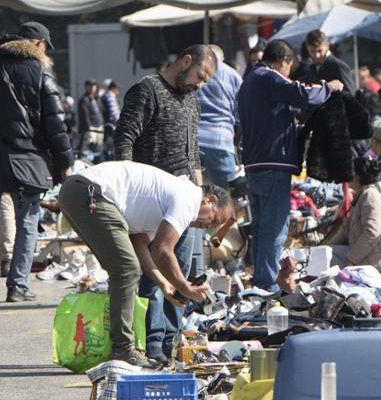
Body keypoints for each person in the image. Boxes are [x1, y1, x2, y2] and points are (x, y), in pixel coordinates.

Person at [58, 161, 231, 367]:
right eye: (212, 221)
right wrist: (185, 287)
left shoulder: (169, 202)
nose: (206, 227)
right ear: (209, 199)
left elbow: (139, 242)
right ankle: (123, 349)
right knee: (126, 269)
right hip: (90, 192)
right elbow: (163, 250)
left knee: (125, 268)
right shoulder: (189, 198)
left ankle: (121, 346)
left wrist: (164, 284)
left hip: (78, 191)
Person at [114, 44, 217, 364]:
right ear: (186, 61)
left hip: (186, 202)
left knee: (179, 273)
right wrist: (125, 186)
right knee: (151, 272)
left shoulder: (192, 102)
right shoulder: (147, 90)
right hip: (150, 200)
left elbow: (194, 154)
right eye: (200, 75)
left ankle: (171, 341)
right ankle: (149, 341)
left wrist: (200, 194)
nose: (200, 83)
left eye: (206, 80)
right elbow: (124, 138)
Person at [0, 21, 74, 302]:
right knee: (27, 219)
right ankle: (18, 284)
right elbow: (55, 124)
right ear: (37, 44)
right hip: (28, 158)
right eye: (46, 46)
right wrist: (65, 162)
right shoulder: (40, 72)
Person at [238, 40, 340, 291]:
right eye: (289, 66)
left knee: (262, 227)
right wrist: (329, 87)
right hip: (272, 164)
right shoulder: (269, 77)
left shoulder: (250, 80)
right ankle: (267, 285)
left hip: (255, 164)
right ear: (284, 61)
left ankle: (261, 282)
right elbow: (303, 95)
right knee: (274, 229)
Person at [328, 157, 381, 278]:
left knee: (329, 261)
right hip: (368, 260)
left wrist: (351, 260)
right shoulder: (361, 196)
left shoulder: (370, 195)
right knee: (326, 255)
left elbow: (372, 233)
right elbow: (345, 233)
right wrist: (321, 249)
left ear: (357, 177)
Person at [195, 45, 242, 190]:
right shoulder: (233, 75)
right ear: (222, 59)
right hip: (221, 141)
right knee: (224, 195)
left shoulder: (193, 71)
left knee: (195, 193)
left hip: (194, 139)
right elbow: (240, 113)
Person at [78, 79, 105, 156]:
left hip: (99, 128)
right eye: (90, 86)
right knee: (88, 152)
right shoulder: (84, 100)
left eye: (94, 85)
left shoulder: (96, 99)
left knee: (98, 151)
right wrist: (89, 128)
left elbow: (102, 111)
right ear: (86, 87)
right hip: (90, 129)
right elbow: (84, 116)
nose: (93, 87)